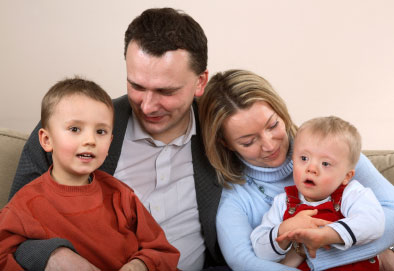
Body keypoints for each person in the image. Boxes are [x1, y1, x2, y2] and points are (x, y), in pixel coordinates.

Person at [9, 8, 225, 271]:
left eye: (165, 91)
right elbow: (14, 233)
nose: (147, 106)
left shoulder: (227, 132)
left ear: (200, 82)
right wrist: (53, 256)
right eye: (137, 86)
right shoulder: (64, 131)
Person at [198, 69, 394, 270]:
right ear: (225, 143)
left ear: (281, 112)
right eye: (249, 142)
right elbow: (244, 262)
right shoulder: (235, 199)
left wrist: (310, 251)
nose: (269, 145)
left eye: (273, 125)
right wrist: (377, 250)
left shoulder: (332, 152)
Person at [0, 78, 180, 271]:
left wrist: (139, 265)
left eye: (100, 131)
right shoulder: (24, 205)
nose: (90, 140)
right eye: (75, 129)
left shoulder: (120, 195)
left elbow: (163, 250)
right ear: (46, 140)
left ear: (110, 142)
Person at [250, 116, 384, 270]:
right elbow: (260, 249)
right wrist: (284, 229)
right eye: (304, 158)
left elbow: (373, 222)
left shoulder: (351, 194)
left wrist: (328, 234)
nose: (311, 168)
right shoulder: (282, 202)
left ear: (346, 176)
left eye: (325, 163)